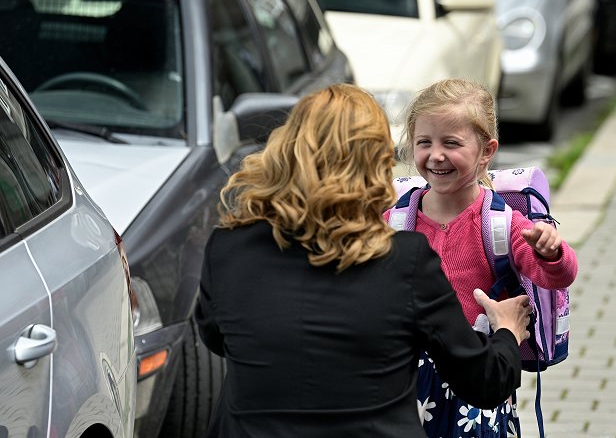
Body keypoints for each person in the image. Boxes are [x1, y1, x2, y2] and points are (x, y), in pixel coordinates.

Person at [194, 83, 533, 438]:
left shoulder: (228, 247)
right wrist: (507, 330)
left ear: (286, 151)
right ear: (372, 166)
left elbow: (218, 338)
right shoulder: (406, 261)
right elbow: (484, 384)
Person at [385, 78, 579, 437]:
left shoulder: (502, 224)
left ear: (487, 151)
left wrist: (551, 252)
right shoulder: (397, 221)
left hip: (480, 381)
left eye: (452, 143)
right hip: (406, 382)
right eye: (424, 142)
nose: (436, 154)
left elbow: (556, 276)